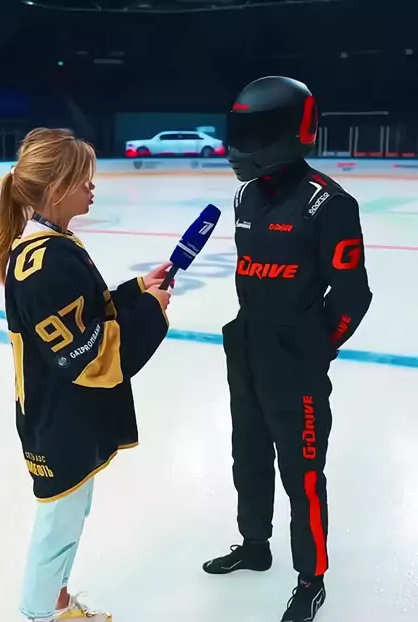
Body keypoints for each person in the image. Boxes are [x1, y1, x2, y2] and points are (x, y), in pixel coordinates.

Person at [202, 77, 372, 622]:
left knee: (303, 473)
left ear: (289, 132)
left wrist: (316, 349)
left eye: (253, 133)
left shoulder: (328, 204)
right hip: (247, 346)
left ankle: (310, 576)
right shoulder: (245, 195)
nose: (239, 146)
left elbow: (353, 296)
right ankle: (255, 545)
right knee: (248, 455)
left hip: (294, 359)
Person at [0, 128, 172, 622]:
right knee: (58, 524)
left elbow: (84, 314)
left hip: (66, 414)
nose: (92, 186)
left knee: (71, 515)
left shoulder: (54, 245)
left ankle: (55, 602)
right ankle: (40, 613)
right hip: (57, 420)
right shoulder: (44, 262)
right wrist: (151, 312)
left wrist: (138, 291)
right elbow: (89, 356)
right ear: (56, 187)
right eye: (83, 178)